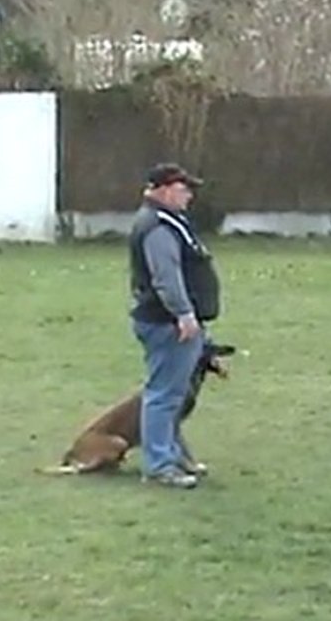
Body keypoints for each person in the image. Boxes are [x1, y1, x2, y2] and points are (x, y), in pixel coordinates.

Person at [128, 162, 221, 489]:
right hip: (167, 322)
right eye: (184, 188)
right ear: (165, 189)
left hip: (169, 320)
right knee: (164, 395)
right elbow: (166, 276)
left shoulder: (164, 221)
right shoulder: (157, 227)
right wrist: (184, 314)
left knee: (173, 394)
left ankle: (174, 455)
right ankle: (158, 466)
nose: (190, 195)